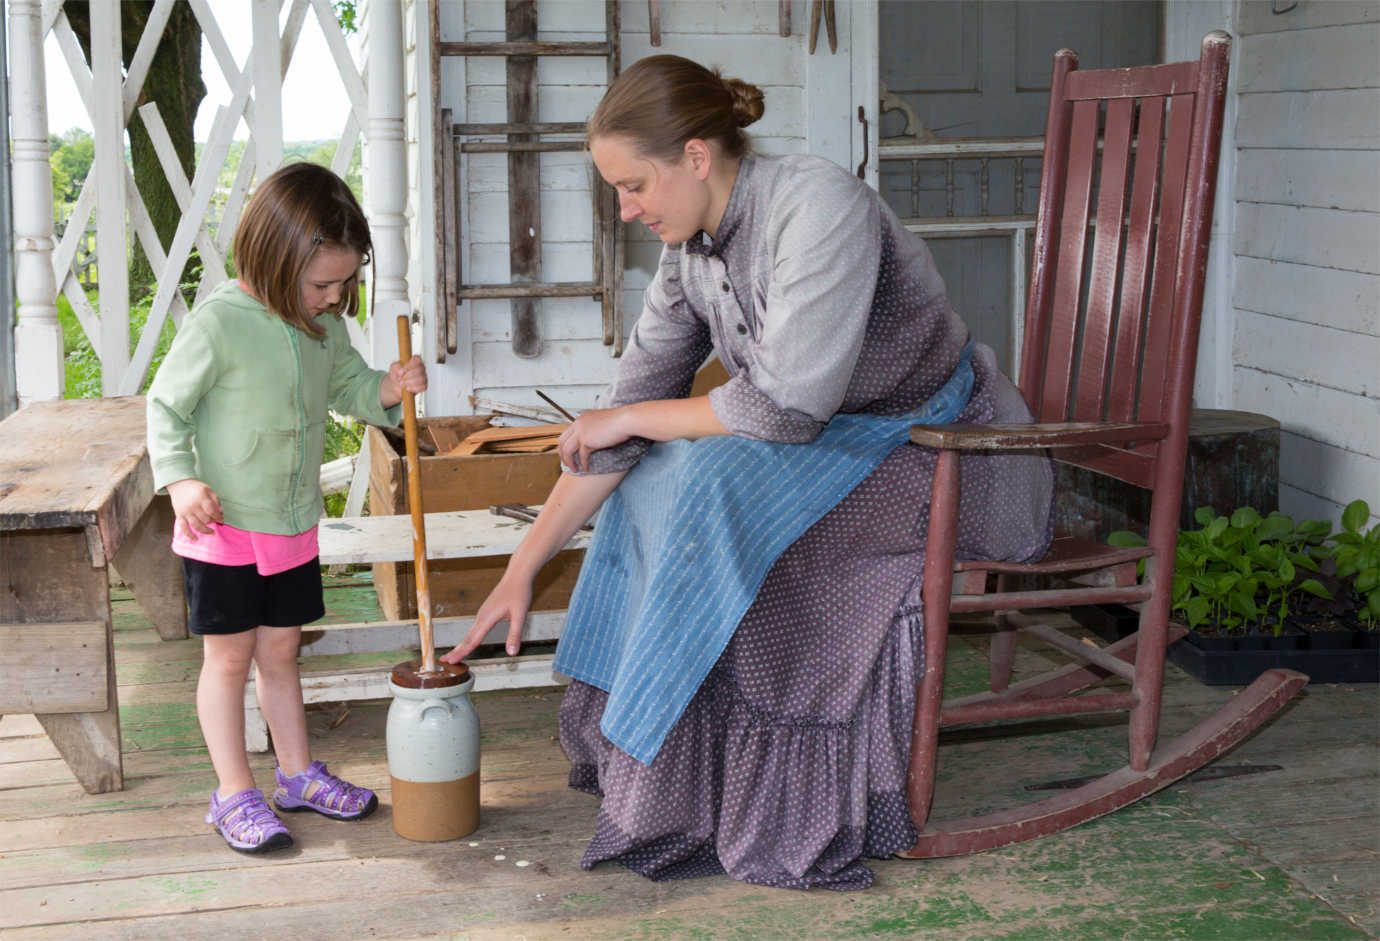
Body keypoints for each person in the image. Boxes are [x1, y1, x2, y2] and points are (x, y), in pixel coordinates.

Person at [442, 54, 1053, 890]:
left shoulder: (818, 205)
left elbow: (783, 410)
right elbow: (623, 421)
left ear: (696, 155)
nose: (627, 210)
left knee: (711, 486)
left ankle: (790, 801)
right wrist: (524, 564)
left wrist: (626, 419)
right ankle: (684, 791)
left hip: (943, 452)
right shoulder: (690, 252)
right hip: (835, 442)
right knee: (657, 477)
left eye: (634, 185)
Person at [147, 161, 427, 854]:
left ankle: (297, 773)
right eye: (322, 284)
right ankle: (233, 790)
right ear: (273, 258)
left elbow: (353, 390)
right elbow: (165, 406)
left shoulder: (322, 328)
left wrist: (389, 387)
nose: (334, 298)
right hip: (224, 526)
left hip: (291, 521)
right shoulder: (221, 323)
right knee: (229, 660)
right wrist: (181, 481)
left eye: (344, 283)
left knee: (282, 650)